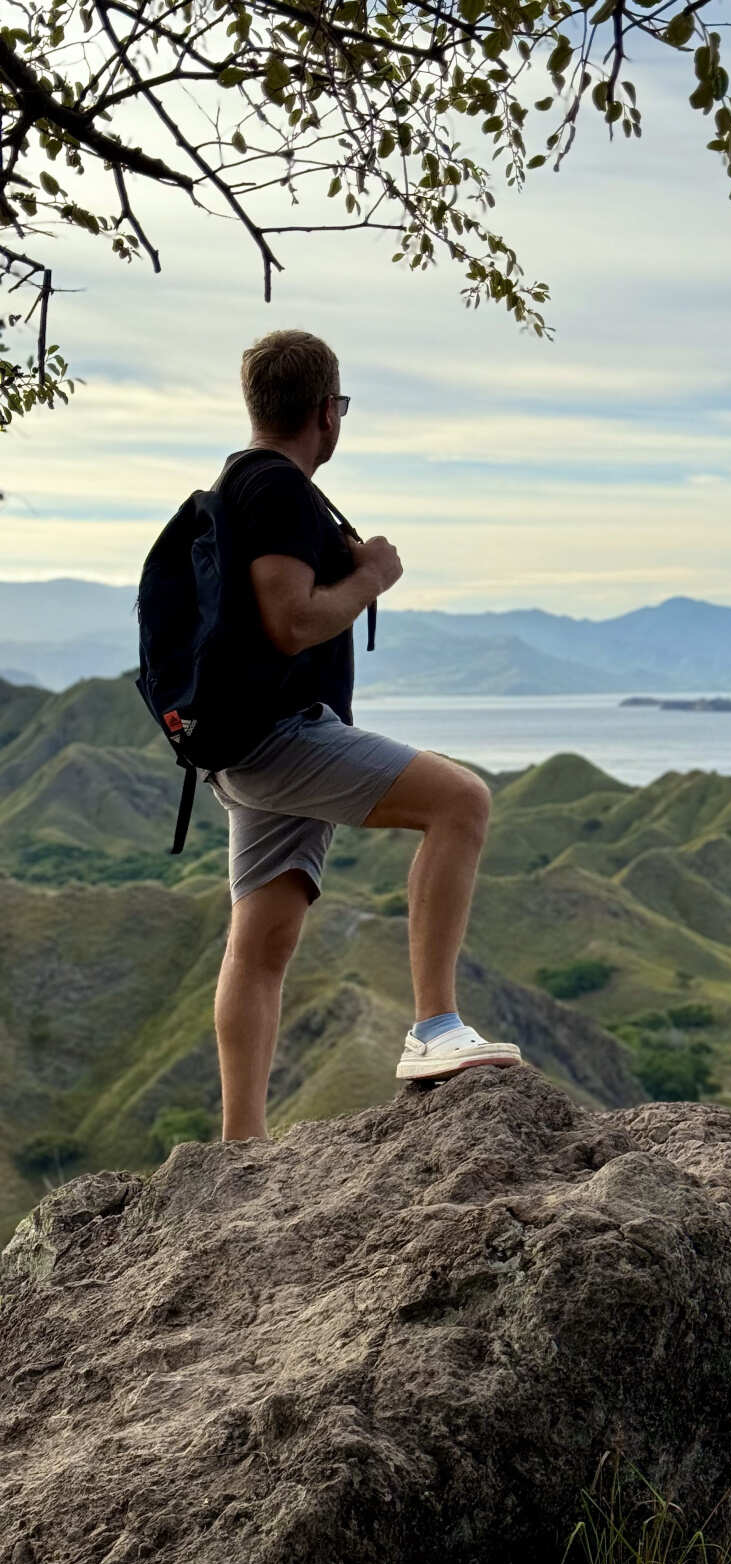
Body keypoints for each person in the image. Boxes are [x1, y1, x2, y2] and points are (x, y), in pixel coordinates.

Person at [207, 328, 521, 1143]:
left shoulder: (243, 487)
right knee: (460, 802)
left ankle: (241, 1145)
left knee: (262, 942)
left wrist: (346, 561)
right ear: (327, 412)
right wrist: (375, 576)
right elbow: (292, 622)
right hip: (282, 737)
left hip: (237, 745)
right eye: (338, 405)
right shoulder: (277, 491)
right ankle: (435, 1028)